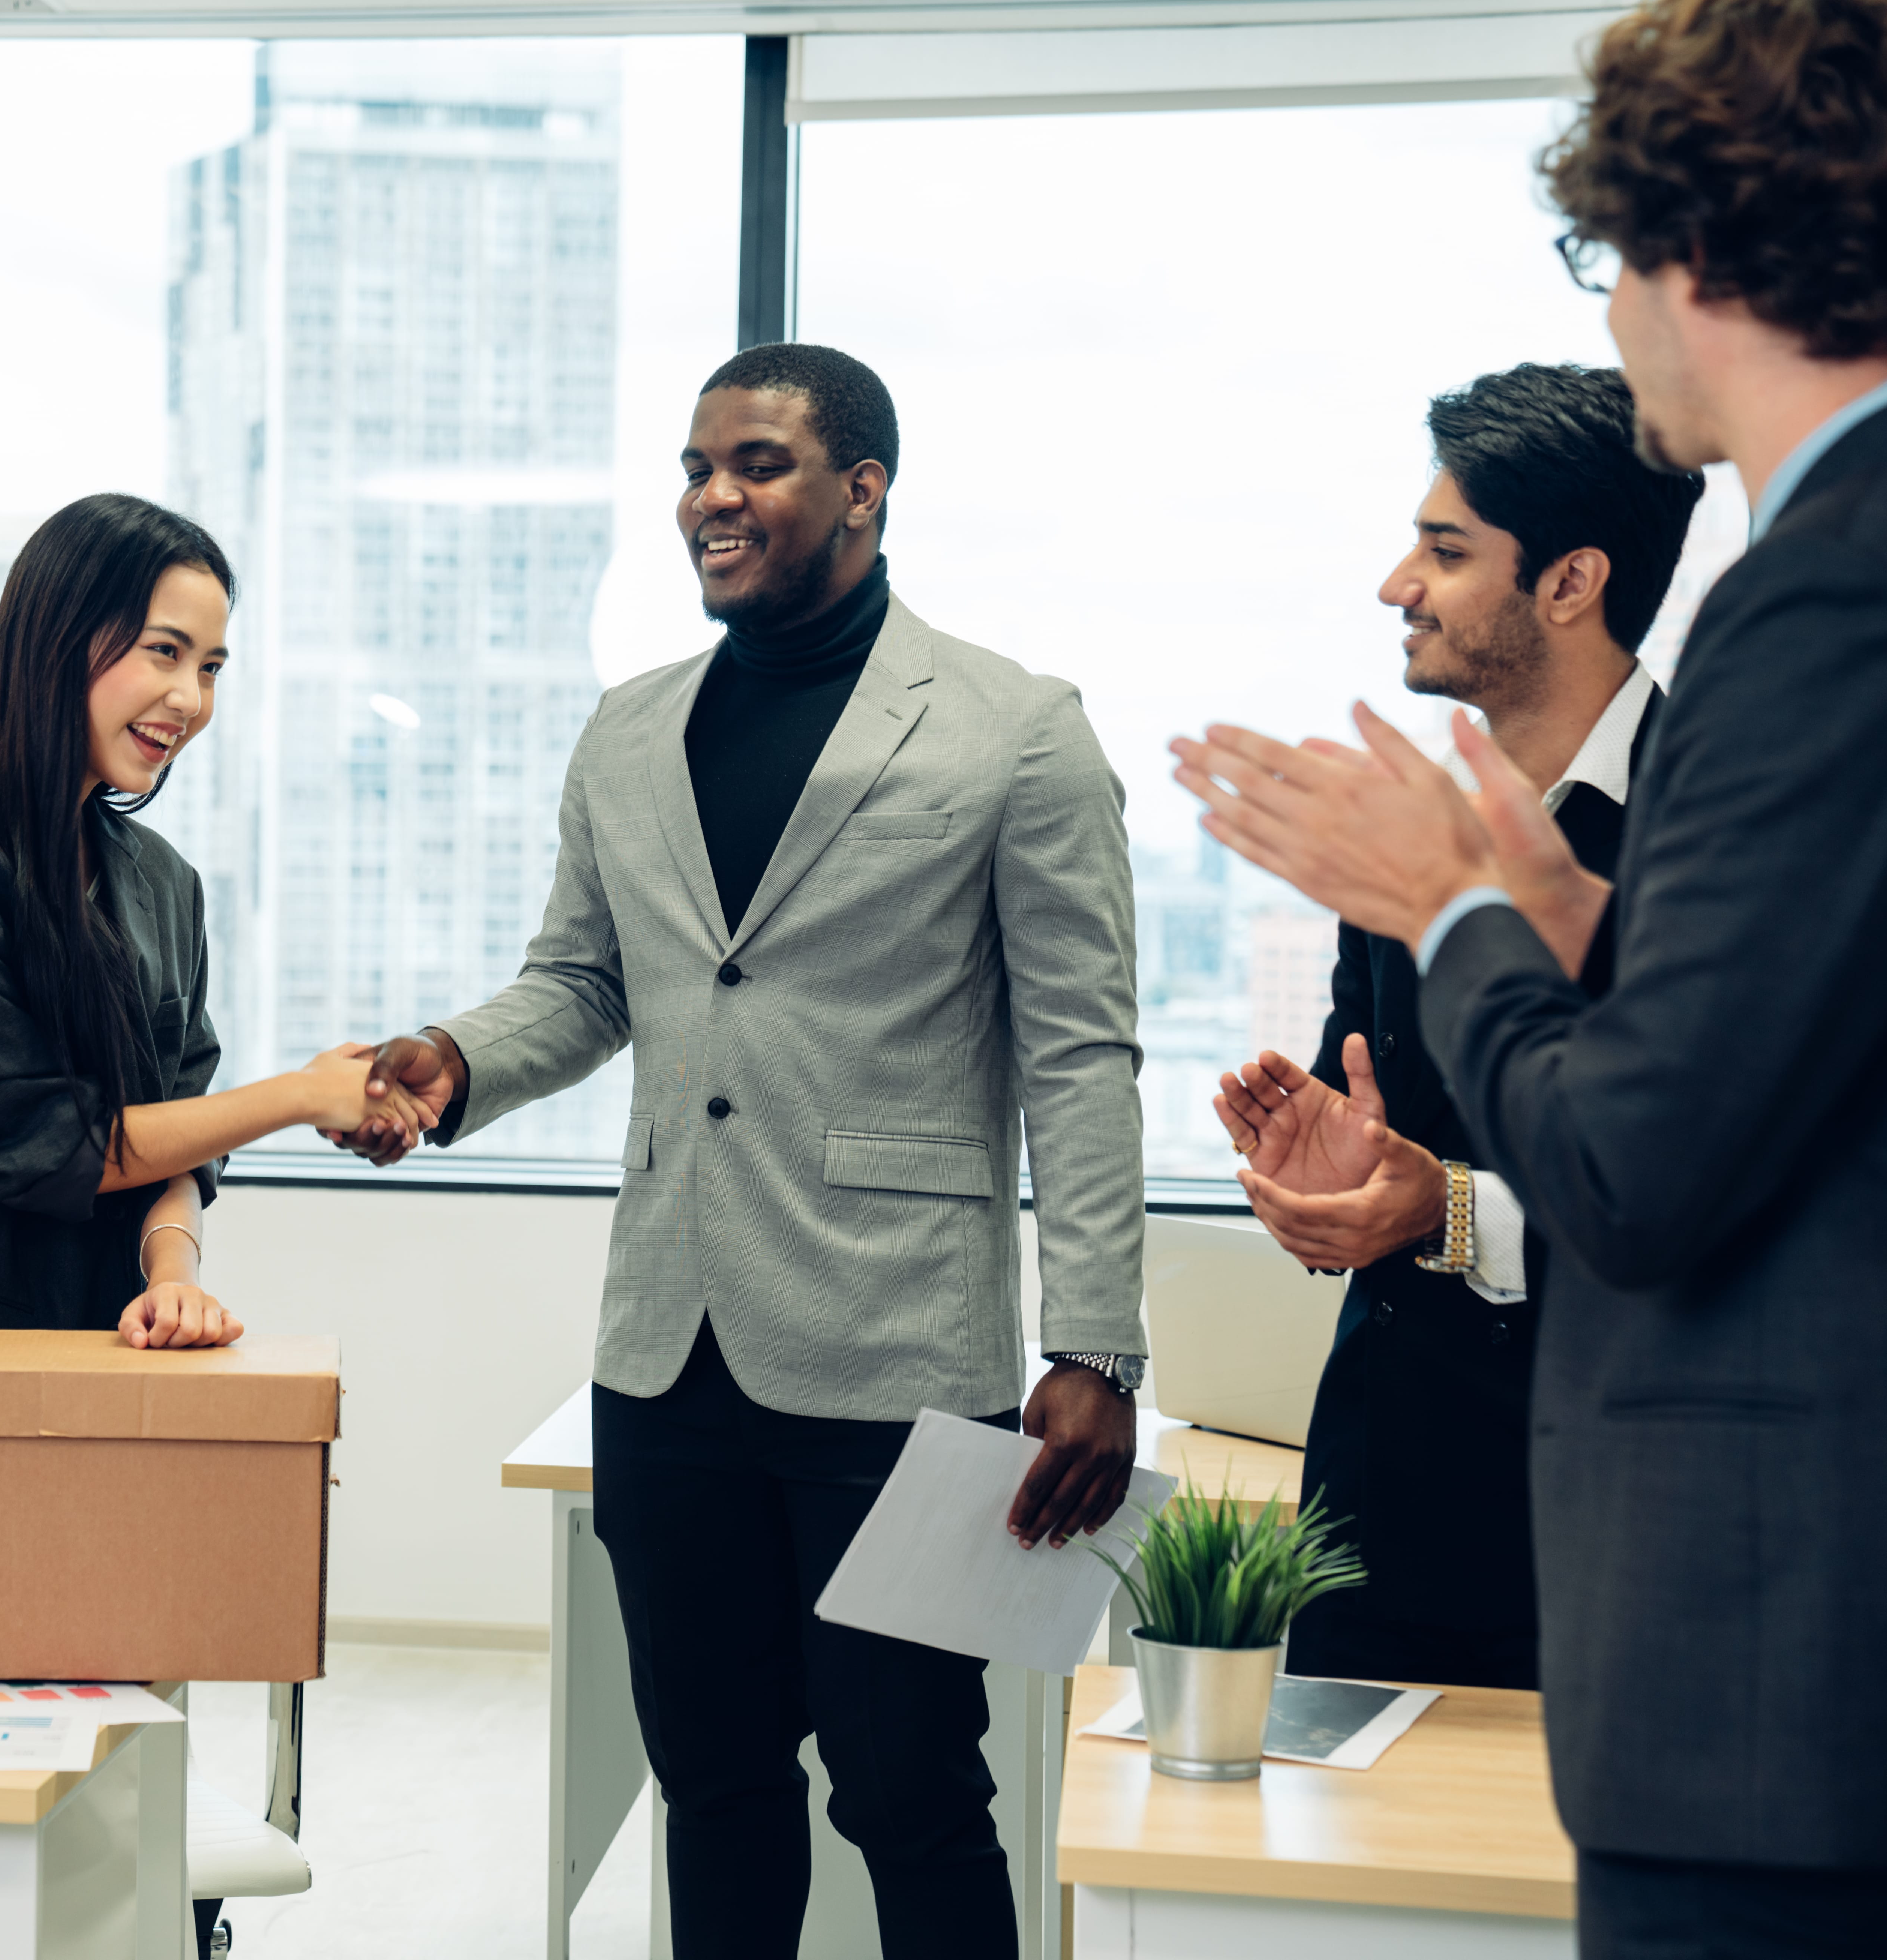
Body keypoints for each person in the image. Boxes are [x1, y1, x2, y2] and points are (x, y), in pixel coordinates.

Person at [1172, 1, 1887, 1944]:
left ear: (1698, 244)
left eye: (1606, 259)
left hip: (1738, 1647)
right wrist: (1539, 931)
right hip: (1420, 1511)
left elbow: (1653, 1161)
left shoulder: (1820, 592)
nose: (1615, 316)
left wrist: (1462, 914)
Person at [331, 344, 1146, 1957]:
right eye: (698, 465)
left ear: (864, 487)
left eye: (758, 462)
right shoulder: (630, 733)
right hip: (664, 1361)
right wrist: (453, 1057)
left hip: (902, 1360)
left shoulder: (1015, 729)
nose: (713, 495)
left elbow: (1081, 1049)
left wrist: (1098, 1340)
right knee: (710, 1781)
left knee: (911, 1787)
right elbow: (585, 982)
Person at [1214, 364, 1702, 1692]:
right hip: (1379, 1521)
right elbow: (1373, 1118)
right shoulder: (1412, 824)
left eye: (1441, 549)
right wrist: (1320, 1165)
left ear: (1568, 580)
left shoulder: (1713, 833)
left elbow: (1713, 1193)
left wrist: (1442, 1208)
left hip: (1618, 1532)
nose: (1396, 584)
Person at [0, 492, 426, 1347]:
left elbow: (175, 1129)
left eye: (210, 667)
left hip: (104, 1353)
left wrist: (173, 1278)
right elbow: (46, 1146)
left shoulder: (166, 884)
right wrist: (297, 1095)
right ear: (58, 638)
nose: (189, 699)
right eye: (164, 652)